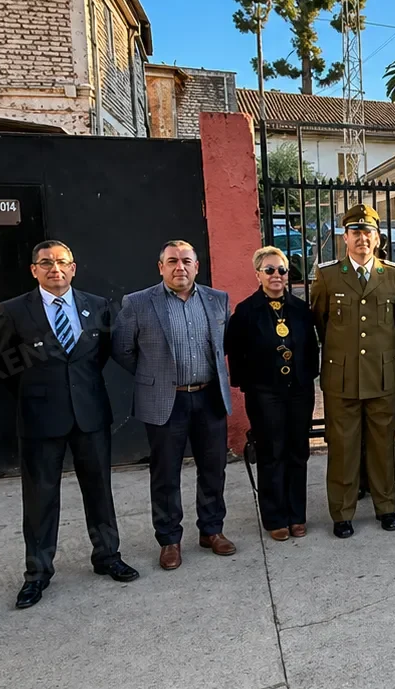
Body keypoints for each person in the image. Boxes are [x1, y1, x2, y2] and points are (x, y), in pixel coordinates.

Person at [0, 240, 135, 610]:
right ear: (34, 270)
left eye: (62, 262)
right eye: (46, 263)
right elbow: (2, 367)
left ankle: (107, 555)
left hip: (89, 413)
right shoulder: (13, 311)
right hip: (41, 419)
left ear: (73, 268)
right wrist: (39, 394)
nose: (54, 269)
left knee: (99, 488)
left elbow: (100, 356)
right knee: (40, 497)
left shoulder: (98, 306)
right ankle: (37, 573)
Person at [114, 240, 235, 569]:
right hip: (166, 400)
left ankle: (211, 530)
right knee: (166, 473)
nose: (179, 267)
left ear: (197, 266)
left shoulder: (217, 300)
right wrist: (154, 376)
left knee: (213, 469)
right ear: (161, 267)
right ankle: (169, 539)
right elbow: (123, 349)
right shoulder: (138, 303)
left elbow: (225, 345)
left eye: (186, 261)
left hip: (209, 396)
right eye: (172, 261)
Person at [311, 205, 395, 538]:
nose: (362, 239)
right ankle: (342, 512)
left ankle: (386, 507)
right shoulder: (328, 276)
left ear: (378, 238)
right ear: (345, 238)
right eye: (355, 233)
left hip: (382, 376)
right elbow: (321, 322)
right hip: (342, 378)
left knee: (383, 445)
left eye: (368, 232)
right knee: (342, 447)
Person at [226, 247, 320, 541]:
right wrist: (250, 384)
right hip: (265, 393)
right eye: (269, 270)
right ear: (258, 274)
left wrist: (306, 378)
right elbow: (234, 349)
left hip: (298, 392)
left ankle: (297, 515)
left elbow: (310, 348)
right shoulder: (246, 311)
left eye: (281, 270)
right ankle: (275, 517)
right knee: (271, 453)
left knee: (297, 452)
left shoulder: (301, 309)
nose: (276, 275)